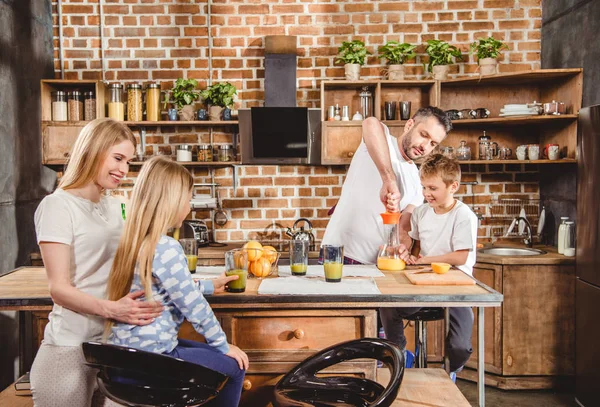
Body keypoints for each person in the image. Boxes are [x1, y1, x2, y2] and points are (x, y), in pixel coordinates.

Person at [31, 118, 164, 407]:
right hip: (71, 346)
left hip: (117, 345)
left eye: (128, 161)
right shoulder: (57, 206)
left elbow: (145, 263)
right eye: (117, 158)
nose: (123, 170)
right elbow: (59, 289)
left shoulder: (121, 206)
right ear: (92, 150)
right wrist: (113, 309)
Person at [106, 157, 248, 407]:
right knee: (234, 365)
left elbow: (170, 289)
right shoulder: (166, 247)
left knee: (212, 353)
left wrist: (208, 286)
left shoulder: (132, 241)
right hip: (153, 358)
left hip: (126, 356)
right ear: (171, 202)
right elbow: (194, 308)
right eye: (187, 199)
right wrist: (224, 346)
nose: (189, 206)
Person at [381, 154, 478, 380]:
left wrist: (426, 260)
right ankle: (400, 353)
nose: (426, 194)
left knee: (460, 347)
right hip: (424, 284)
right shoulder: (422, 213)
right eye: (424, 187)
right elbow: (416, 247)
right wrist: (409, 255)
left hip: (455, 289)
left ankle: (451, 369)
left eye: (432, 188)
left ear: (453, 186)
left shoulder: (463, 215)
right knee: (387, 305)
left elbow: (461, 257)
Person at [321, 107, 452, 264]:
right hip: (340, 252)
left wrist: (403, 247)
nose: (425, 146)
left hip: (378, 262)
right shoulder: (383, 140)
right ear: (410, 125)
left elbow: (403, 227)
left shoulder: (417, 181)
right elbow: (370, 123)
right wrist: (389, 180)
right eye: (424, 135)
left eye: (433, 143)